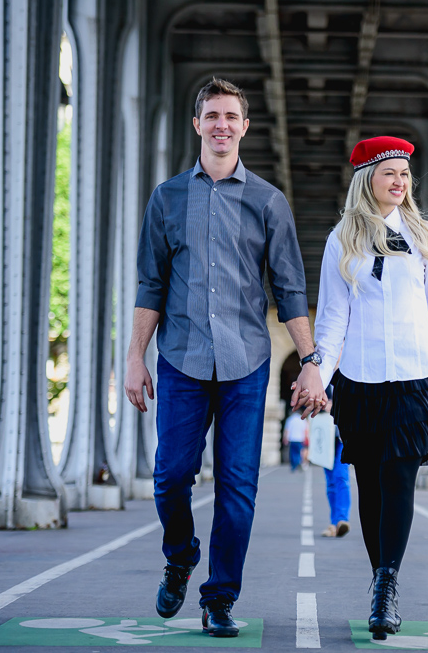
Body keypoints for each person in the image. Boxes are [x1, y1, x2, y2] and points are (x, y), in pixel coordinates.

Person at [123, 78, 328, 638]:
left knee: (239, 487)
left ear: (244, 126)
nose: (221, 125)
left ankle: (219, 598)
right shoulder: (166, 198)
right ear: (197, 125)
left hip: (245, 364)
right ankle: (181, 555)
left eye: (230, 116)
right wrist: (135, 357)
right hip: (182, 359)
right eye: (211, 115)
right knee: (170, 478)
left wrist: (310, 359)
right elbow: (150, 284)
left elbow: (289, 288)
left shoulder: (267, 201)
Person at [313, 136, 428, 640]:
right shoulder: (342, 240)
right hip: (360, 379)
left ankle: (386, 586)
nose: (400, 182)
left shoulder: (426, 236)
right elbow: (334, 318)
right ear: (367, 180)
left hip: (415, 376)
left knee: (399, 479)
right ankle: (380, 577)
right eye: (389, 173)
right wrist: (319, 369)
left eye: (405, 174)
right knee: (370, 487)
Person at [316, 388, 351, 538]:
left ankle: (341, 519)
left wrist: (336, 406)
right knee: (331, 480)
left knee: (341, 475)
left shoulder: (348, 372)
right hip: (325, 435)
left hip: (344, 434)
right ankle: (334, 523)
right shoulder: (321, 375)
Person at [282, 407, 308, 472]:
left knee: (292, 452)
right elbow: (305, 430)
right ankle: (298, 462)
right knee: (299, 452)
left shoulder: (290, 419)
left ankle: (294, 465)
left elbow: (287, 430)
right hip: (300, 438)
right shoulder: (302, 419)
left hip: (292, 438)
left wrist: (285, 438)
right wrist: (306, 438)